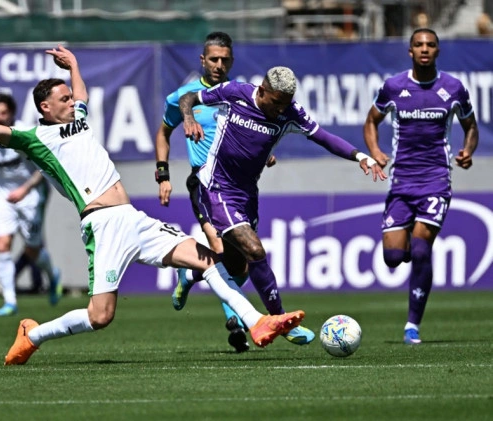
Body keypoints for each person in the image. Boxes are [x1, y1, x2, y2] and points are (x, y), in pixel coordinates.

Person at [0, 45, 307, 365]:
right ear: (46, 108)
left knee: (208, 260)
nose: (72, 101)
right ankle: (33, 334)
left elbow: (81, 93)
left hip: (133, 218)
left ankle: (256, 322)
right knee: (100, 316)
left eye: (69, 96)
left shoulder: (78, 117)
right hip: (102, 225)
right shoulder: (34, 139)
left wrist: (74, 66)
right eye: (63, 99)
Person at [175, 66, 386, 346]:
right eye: (276, 102)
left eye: (285, 104)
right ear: (262, 91)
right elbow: (188, 97)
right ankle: (281, 320)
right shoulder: (235, 93)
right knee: (255, 250)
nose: (280, 109)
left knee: (238, 266)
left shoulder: (290, 112)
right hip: (215, 187)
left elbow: (323, 137)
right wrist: (189, 117)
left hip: (246, 196)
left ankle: (191, 273)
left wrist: (360, 156)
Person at [155, 31, 270, 352]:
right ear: (203, 60)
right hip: (204, 184)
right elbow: (163, 133)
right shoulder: (184, 96)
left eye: (225, 60)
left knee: (240, 263)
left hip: (238, 185)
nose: (219, 65)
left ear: (231, 61)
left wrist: (264, 153)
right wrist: (163, 174)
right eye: (214, 59)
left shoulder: (241, 95)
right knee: (219, 243)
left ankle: (190, 275)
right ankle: (236, 321)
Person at [363, 28, 479, 345]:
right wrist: (375, 151)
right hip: (402, 182)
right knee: (392, 257)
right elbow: (371, 120)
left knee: (420, 249)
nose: (424, 49)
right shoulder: (394, 86)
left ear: (438, 51)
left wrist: (468, 151)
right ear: (410, 51)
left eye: (430, 45)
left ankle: (412, 325)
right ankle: (407, 240)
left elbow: (470, 126)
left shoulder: (453, 88)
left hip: (436, 180)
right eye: (419, 44)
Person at [0, 93, 61, 316]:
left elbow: (43, 167)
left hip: (30, 195)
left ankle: (53, 275)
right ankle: (10, 301)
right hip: (3, 195)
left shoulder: (25, 133)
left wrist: (25, 189)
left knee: (32, 249)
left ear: (12, 113)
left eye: (4, 113)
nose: (0, 118)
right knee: (2, 244)